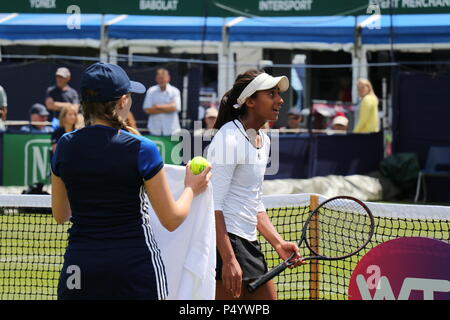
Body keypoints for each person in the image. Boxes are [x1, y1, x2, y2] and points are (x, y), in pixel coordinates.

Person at [51, 62, 211, 300]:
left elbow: (61, 214)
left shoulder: (65, 145)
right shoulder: (142, 148)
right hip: (133, 267)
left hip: (80, 266)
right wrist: (191, 188)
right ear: (123, 101)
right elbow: (171, 219)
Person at [207, 69, 305, 300]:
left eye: (278, 94)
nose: (280, 100)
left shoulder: (265, 139)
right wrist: (229, 260)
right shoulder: (228, 138)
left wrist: (279, 243)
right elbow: (212, 205)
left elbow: (254, 200)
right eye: (271, 94)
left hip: (246, 242)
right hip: (226, 243)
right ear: (250, 101)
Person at [142, 68, 181, 136]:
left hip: (172, 131)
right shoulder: (151, 91)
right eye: (159, 78)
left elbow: (175, 108)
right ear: (156, 79)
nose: (161, 80)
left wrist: (157, 106)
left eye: (163, 78)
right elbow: (147, 110)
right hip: (154, 131)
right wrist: (169, 107)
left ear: (168, 78)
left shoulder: (175, 91)